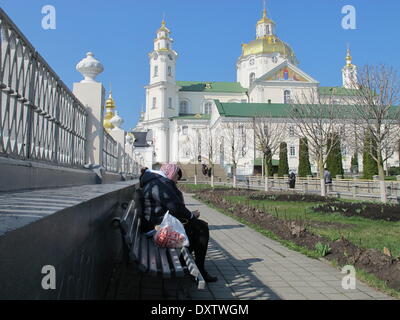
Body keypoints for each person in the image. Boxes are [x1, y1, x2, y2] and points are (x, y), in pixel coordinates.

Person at [139, 164, 218, 283]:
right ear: (170, 173)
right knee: (201, 228)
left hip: (155, 224)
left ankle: (185, 263)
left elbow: (173, 207)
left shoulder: (155, 181)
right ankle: (198, 269)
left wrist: (190, 216)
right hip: (157, 230)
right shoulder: (159, 184)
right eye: (176, 175)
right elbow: (175, 207)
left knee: (198, 226)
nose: (177, 179)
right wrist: (191, 216)